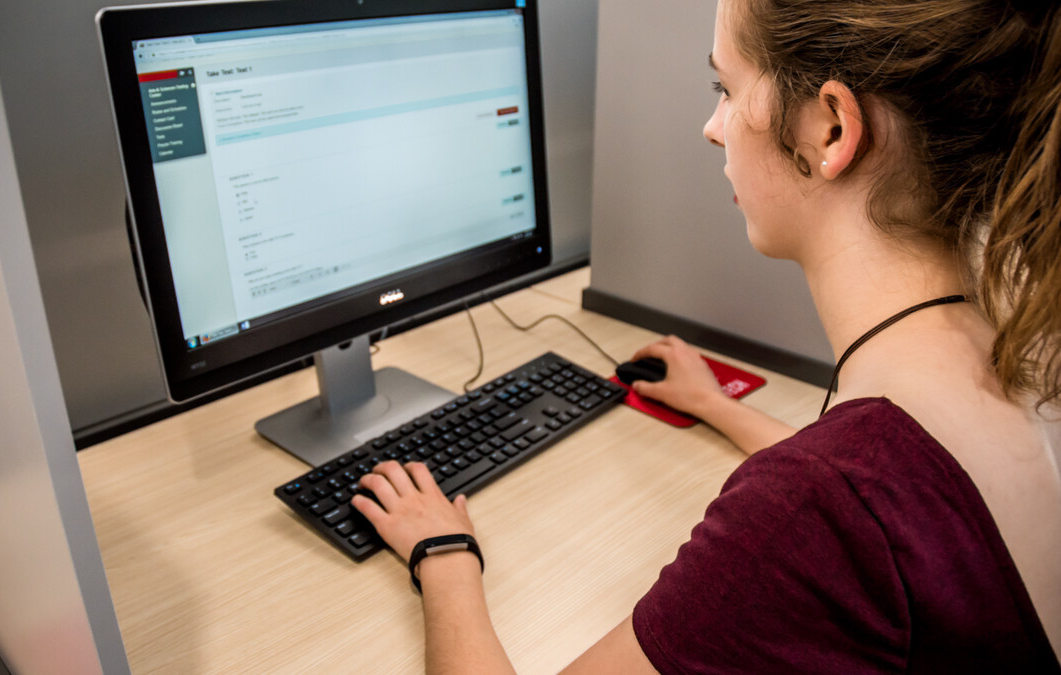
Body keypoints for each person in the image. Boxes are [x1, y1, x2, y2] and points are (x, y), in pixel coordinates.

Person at [351, 0, 1061, 671]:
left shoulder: (814, 504)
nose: (713, 126)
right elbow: (906, 514)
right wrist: (719, 404)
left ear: (831, 130)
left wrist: (443, 553)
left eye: (725, 86)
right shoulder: (1013, 344)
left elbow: (843, 507)